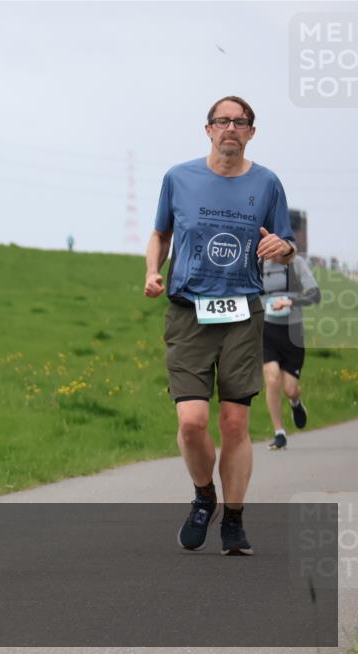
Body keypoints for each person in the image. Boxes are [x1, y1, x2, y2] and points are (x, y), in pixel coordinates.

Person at [144, 95, 296, 556]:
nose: (231, 127)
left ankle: (234, 519)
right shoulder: (179, 177)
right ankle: (203, 495)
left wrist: (283, 250)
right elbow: (161, 234)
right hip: (189, 310)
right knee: (192, 421)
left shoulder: (267, 183)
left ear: (251, 132)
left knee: (234, 422)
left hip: (242, 312)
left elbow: (287, 243)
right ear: (208, 129)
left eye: (240, 122)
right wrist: (152, 271)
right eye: (222, 120)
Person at [262, 255, 321, 450]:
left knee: (290, 389)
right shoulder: (255, 262)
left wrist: (291, 301)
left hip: (292, 333)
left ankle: (295, 402)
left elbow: (315, 295)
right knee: (272, 379)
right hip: (265, 330)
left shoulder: (296, 263)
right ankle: (279, 433)